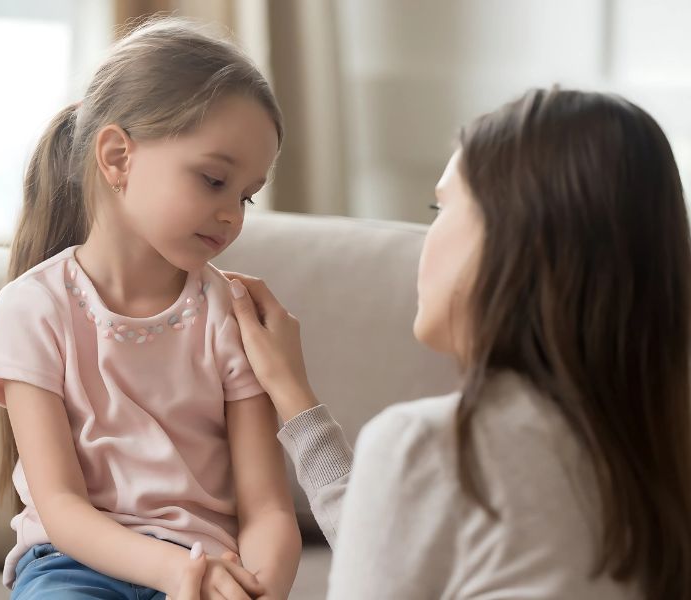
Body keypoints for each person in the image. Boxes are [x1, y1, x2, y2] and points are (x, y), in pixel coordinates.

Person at [223, 89, 691, 598]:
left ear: (511, 238)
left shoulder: (432, 447)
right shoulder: (656, 455)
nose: (429, 237)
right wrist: (293, 395)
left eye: (440, 207)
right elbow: (396, 542)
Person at [0, 17, 300, 600]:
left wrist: (261, 589)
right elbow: (61, 506)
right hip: (71, 565)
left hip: (209, 566)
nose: (233, 214)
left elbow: (268, 509)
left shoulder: (230, 315)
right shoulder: (33, 308)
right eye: (214, 180)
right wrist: (173, 571)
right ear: (118, 157)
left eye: (247, 196)